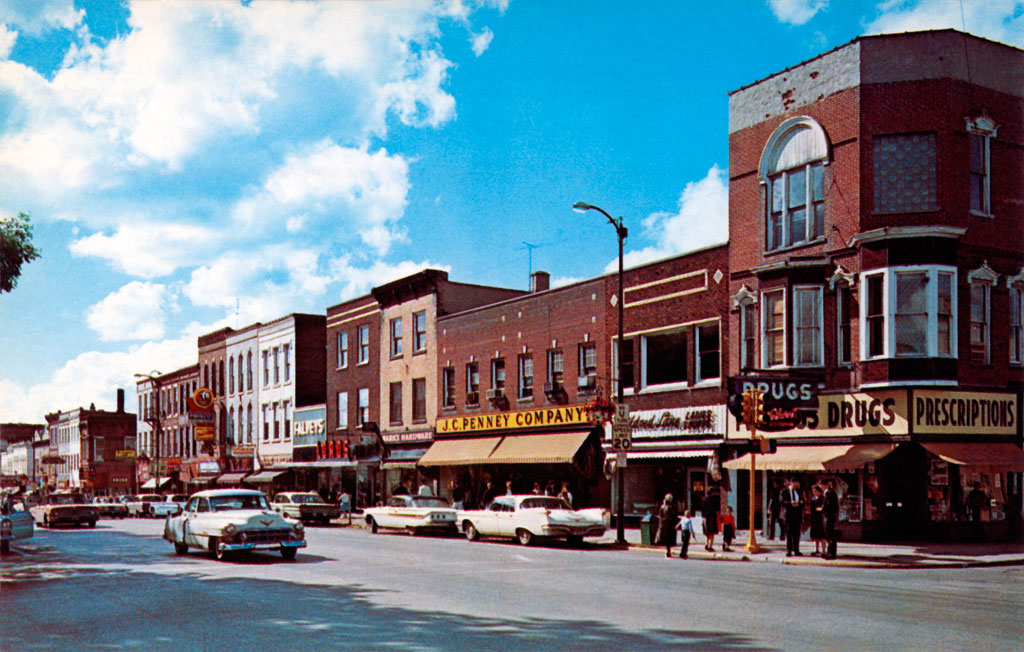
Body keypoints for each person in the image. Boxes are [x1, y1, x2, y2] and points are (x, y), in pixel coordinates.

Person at [782, 479, 804, 556]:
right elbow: (783, 502)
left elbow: (802, 502)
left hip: (797, 515)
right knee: (789, 533)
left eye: (797, 484)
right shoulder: (785, 491)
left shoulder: (799, 491)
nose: (796, 485)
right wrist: (791, 503)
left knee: (797, 534)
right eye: (794, 484)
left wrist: (800, 503)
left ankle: (796, 549)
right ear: (791, 483)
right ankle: (789, 549)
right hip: (789, 515)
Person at [656, 493, 678, 558]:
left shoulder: (662, 506)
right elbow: (674, 515)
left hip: (664, 524)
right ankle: (669, 551)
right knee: (670, 539)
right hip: (670, 524)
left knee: (667, 539)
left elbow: (660, 516)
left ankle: (668, 550)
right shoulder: (673, 506)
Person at [702, 485, 721, 552]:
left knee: (707, 533)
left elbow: (702, 509)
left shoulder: (704, 500)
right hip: (712, 517)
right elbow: (717, 510)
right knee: (712, 533)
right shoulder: (715, 500)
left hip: (705, 517)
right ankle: (710, 546)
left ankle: (706, 545)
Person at [823, 480, 839, 559]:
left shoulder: (829, 493)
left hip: (829, 517)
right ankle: (830, 551)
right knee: (829, 535)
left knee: (830, 535)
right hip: (830, 516)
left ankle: (831, 553)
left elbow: (829, 505)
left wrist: (823, 509)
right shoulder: (831, 493)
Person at [809, 484, 826, 556]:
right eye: (813, 491)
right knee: (815, 536)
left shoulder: (823, 498)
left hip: (820, 518)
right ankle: (816, 549)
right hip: (814, 518)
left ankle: (824, 550)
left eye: (815, 491)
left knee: (822, 535)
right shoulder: (813, 498)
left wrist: (821, 509)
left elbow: (824, 507)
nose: (814, 492)